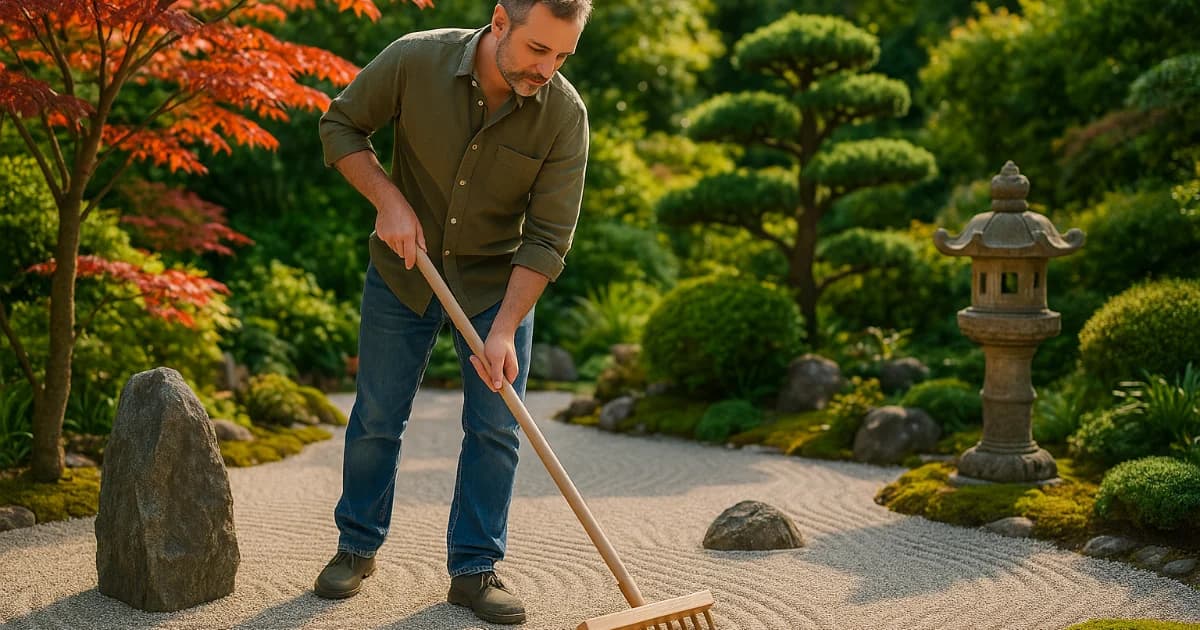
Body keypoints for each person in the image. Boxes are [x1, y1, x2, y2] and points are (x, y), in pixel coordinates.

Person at [314, 0, 591, 624]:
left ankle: (474, 570)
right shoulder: (417, 58)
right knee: (378, 416)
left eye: (563, 55)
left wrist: (502, 331)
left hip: (499, 285)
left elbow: (547, 238)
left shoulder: (564, 116)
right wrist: (387, 198)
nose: (548, 68)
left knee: (495, 429)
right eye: (538, 49)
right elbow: (339, 125)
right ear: (499, 23)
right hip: (405, 272)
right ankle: (356, 548)